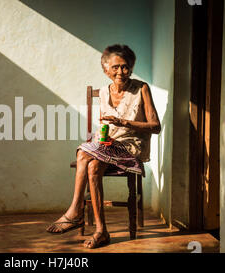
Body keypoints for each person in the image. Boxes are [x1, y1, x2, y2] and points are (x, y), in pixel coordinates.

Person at [46, 44, 161, 249]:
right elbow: (106, 128)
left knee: (83, 152)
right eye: (115, 67)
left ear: (131, 68)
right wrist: (105, 136)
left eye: (125, 67)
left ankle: (75, 211)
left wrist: (125, 123)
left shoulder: (141, 88)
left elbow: (155, 126)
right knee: (92, 165)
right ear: (105, 70)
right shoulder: (104, 92)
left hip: (132, 146)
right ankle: (101, 231)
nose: (120, 72)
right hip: (109, 146)